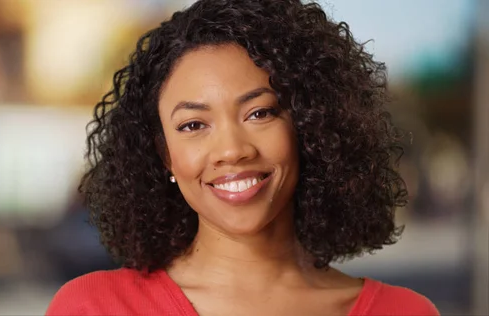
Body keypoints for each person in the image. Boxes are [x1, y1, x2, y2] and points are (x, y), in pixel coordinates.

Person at [46, 0, 440, 315]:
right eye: (193, 125)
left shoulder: (404, 311)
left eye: (260, 113)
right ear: (164, 155)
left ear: (309, 126)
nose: (233, 150)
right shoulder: (93, 307)